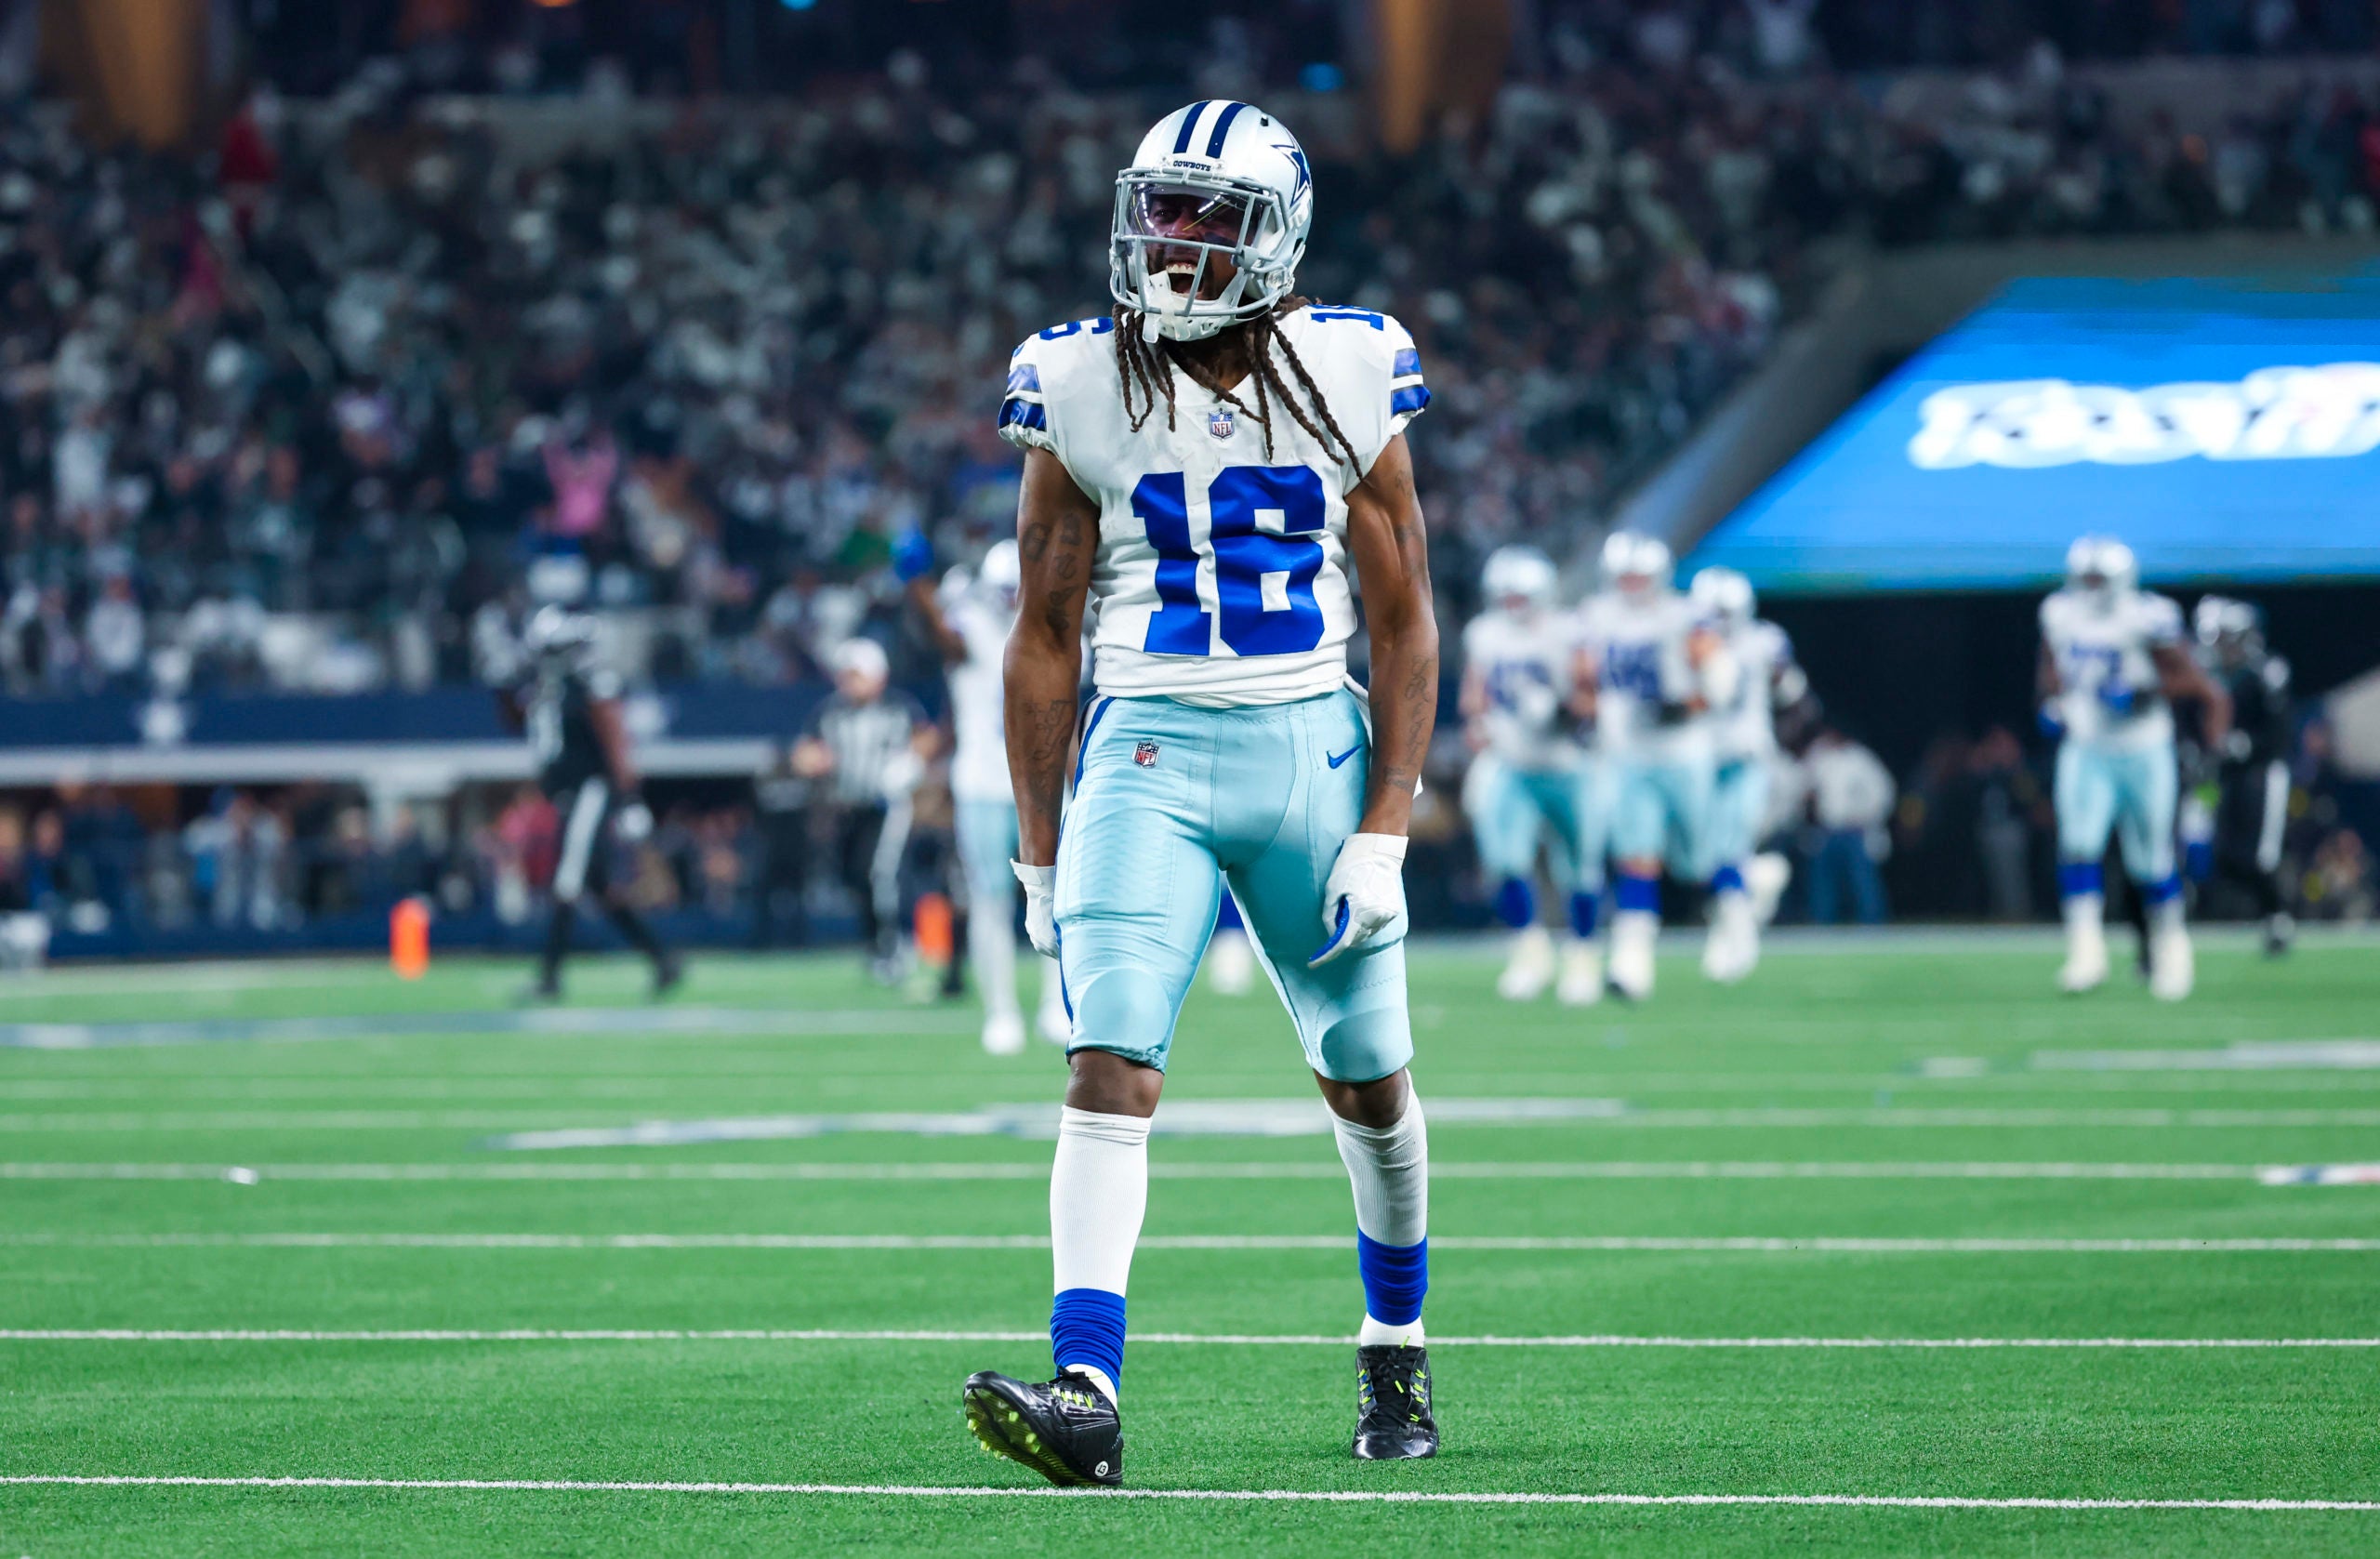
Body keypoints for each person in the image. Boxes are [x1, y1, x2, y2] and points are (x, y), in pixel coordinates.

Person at [961, 100, 1442, 1485]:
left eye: (1204, 214)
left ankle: (1394, 1346)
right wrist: (1039, 855)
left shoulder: (1352, 364)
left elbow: (1404, 617)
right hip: (1145, 756)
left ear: (1275, 234)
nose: (1169, 237)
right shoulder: (1074, 377)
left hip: (1308, 749)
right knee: (1106, 1062)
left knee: (1368, 1082)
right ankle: (1086, 1391)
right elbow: (1043, 634)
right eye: (1158, 207)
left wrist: (1388, 824)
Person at [2038, 536, 2230, 1000]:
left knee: (2151, 857)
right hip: (2087, 745)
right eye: (2085, 578)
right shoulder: (2059, 613)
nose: (2090, 587)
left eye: (2098, 578)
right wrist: (2052, 701)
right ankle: (2086, 952)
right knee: (2078, 846)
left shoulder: (2146, 616)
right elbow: (2050, 666)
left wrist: (2145, 692)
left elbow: (2198, 683)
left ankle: (2173, 950)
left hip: (2143, 747)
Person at [907, 537, 1071, 1053]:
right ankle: (1001, 1011)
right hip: (983, 780)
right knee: (989, 900)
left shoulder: (1057, 625)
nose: (1009, 599)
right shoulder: (972, 624)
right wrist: (918, 587)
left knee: (1059, 899)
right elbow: (944, 637)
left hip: (1045, 785)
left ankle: (1055, 1007)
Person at [1573, 532, 1728, 1000]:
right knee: (1635, 853)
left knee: (1695, 860)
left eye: (1639, 576)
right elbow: (1584, 678)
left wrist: (1690, 703)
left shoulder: (1682, 614)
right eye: (1625, 576)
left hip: (1683, 752)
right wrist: (1580, 709)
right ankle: (1632, 958)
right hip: (1628, 754)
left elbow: (1718, 673)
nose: (1632, 584)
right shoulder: (1597, 616)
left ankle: (1738, 900)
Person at [502, 605, 680, 1001]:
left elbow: (615, 740)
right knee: (602, 889)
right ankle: (664, 960)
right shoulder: (545, 689)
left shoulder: (588, 683)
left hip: (591, 791)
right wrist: (503, 685)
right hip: (568, 795)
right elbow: (519, 721)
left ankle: (549, 977)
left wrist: (629, 799)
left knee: (566, 881)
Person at [1460, 545, 1604, 1004]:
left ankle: (1582, 956)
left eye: (1520, 596)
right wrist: (1477, 722)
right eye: (1506, 595)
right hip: (1512, 763)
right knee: (1504, 861)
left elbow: (1592, 696)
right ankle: (1530, 952)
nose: (1512, 604)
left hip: (1567, 763)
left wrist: (1562, 712)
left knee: (1579, 865)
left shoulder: (1568, 631)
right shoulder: (1485, 633)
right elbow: (1475, 693)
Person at [1687, 565, 1802, 982]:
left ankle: (1736, 937)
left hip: (1746, 754)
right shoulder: (1685, 640)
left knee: (1727, 849)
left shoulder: (1763, 641)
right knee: (1701, 856)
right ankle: (1760, 879)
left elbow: (1791, 694)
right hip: (1698, 757)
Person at [794, 637, 929, 983]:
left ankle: (897, 945)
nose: (848, 682)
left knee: (882, 874)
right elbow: (804, 751)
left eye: (856, 674)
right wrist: (811, 761)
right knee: (855, 877)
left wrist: (910, 765)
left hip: (888, 807)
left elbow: (926, 739)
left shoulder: (898, 707)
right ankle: (876, 946)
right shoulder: (830, 711)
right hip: (848, 808)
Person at [2192, 595, 2294, 955]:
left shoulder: (2267, 674)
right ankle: (2249, 912)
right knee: (2222, 852)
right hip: (2225, 775)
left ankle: (2278, 918)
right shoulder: (2212, 677)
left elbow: (2279, 733)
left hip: (2264, 772)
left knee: (2260, 856)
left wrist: (2247, 743)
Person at [1803, 728, 1896, 925]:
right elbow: (1805, 788)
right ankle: (1822, 926)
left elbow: (1883, 793)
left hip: (1855, 832)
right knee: (1824, 886)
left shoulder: (1861, 758)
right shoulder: (1820, 756)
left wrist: (1865, 815)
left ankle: (1872, 925)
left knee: (1862, 883)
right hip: (1826, 832)